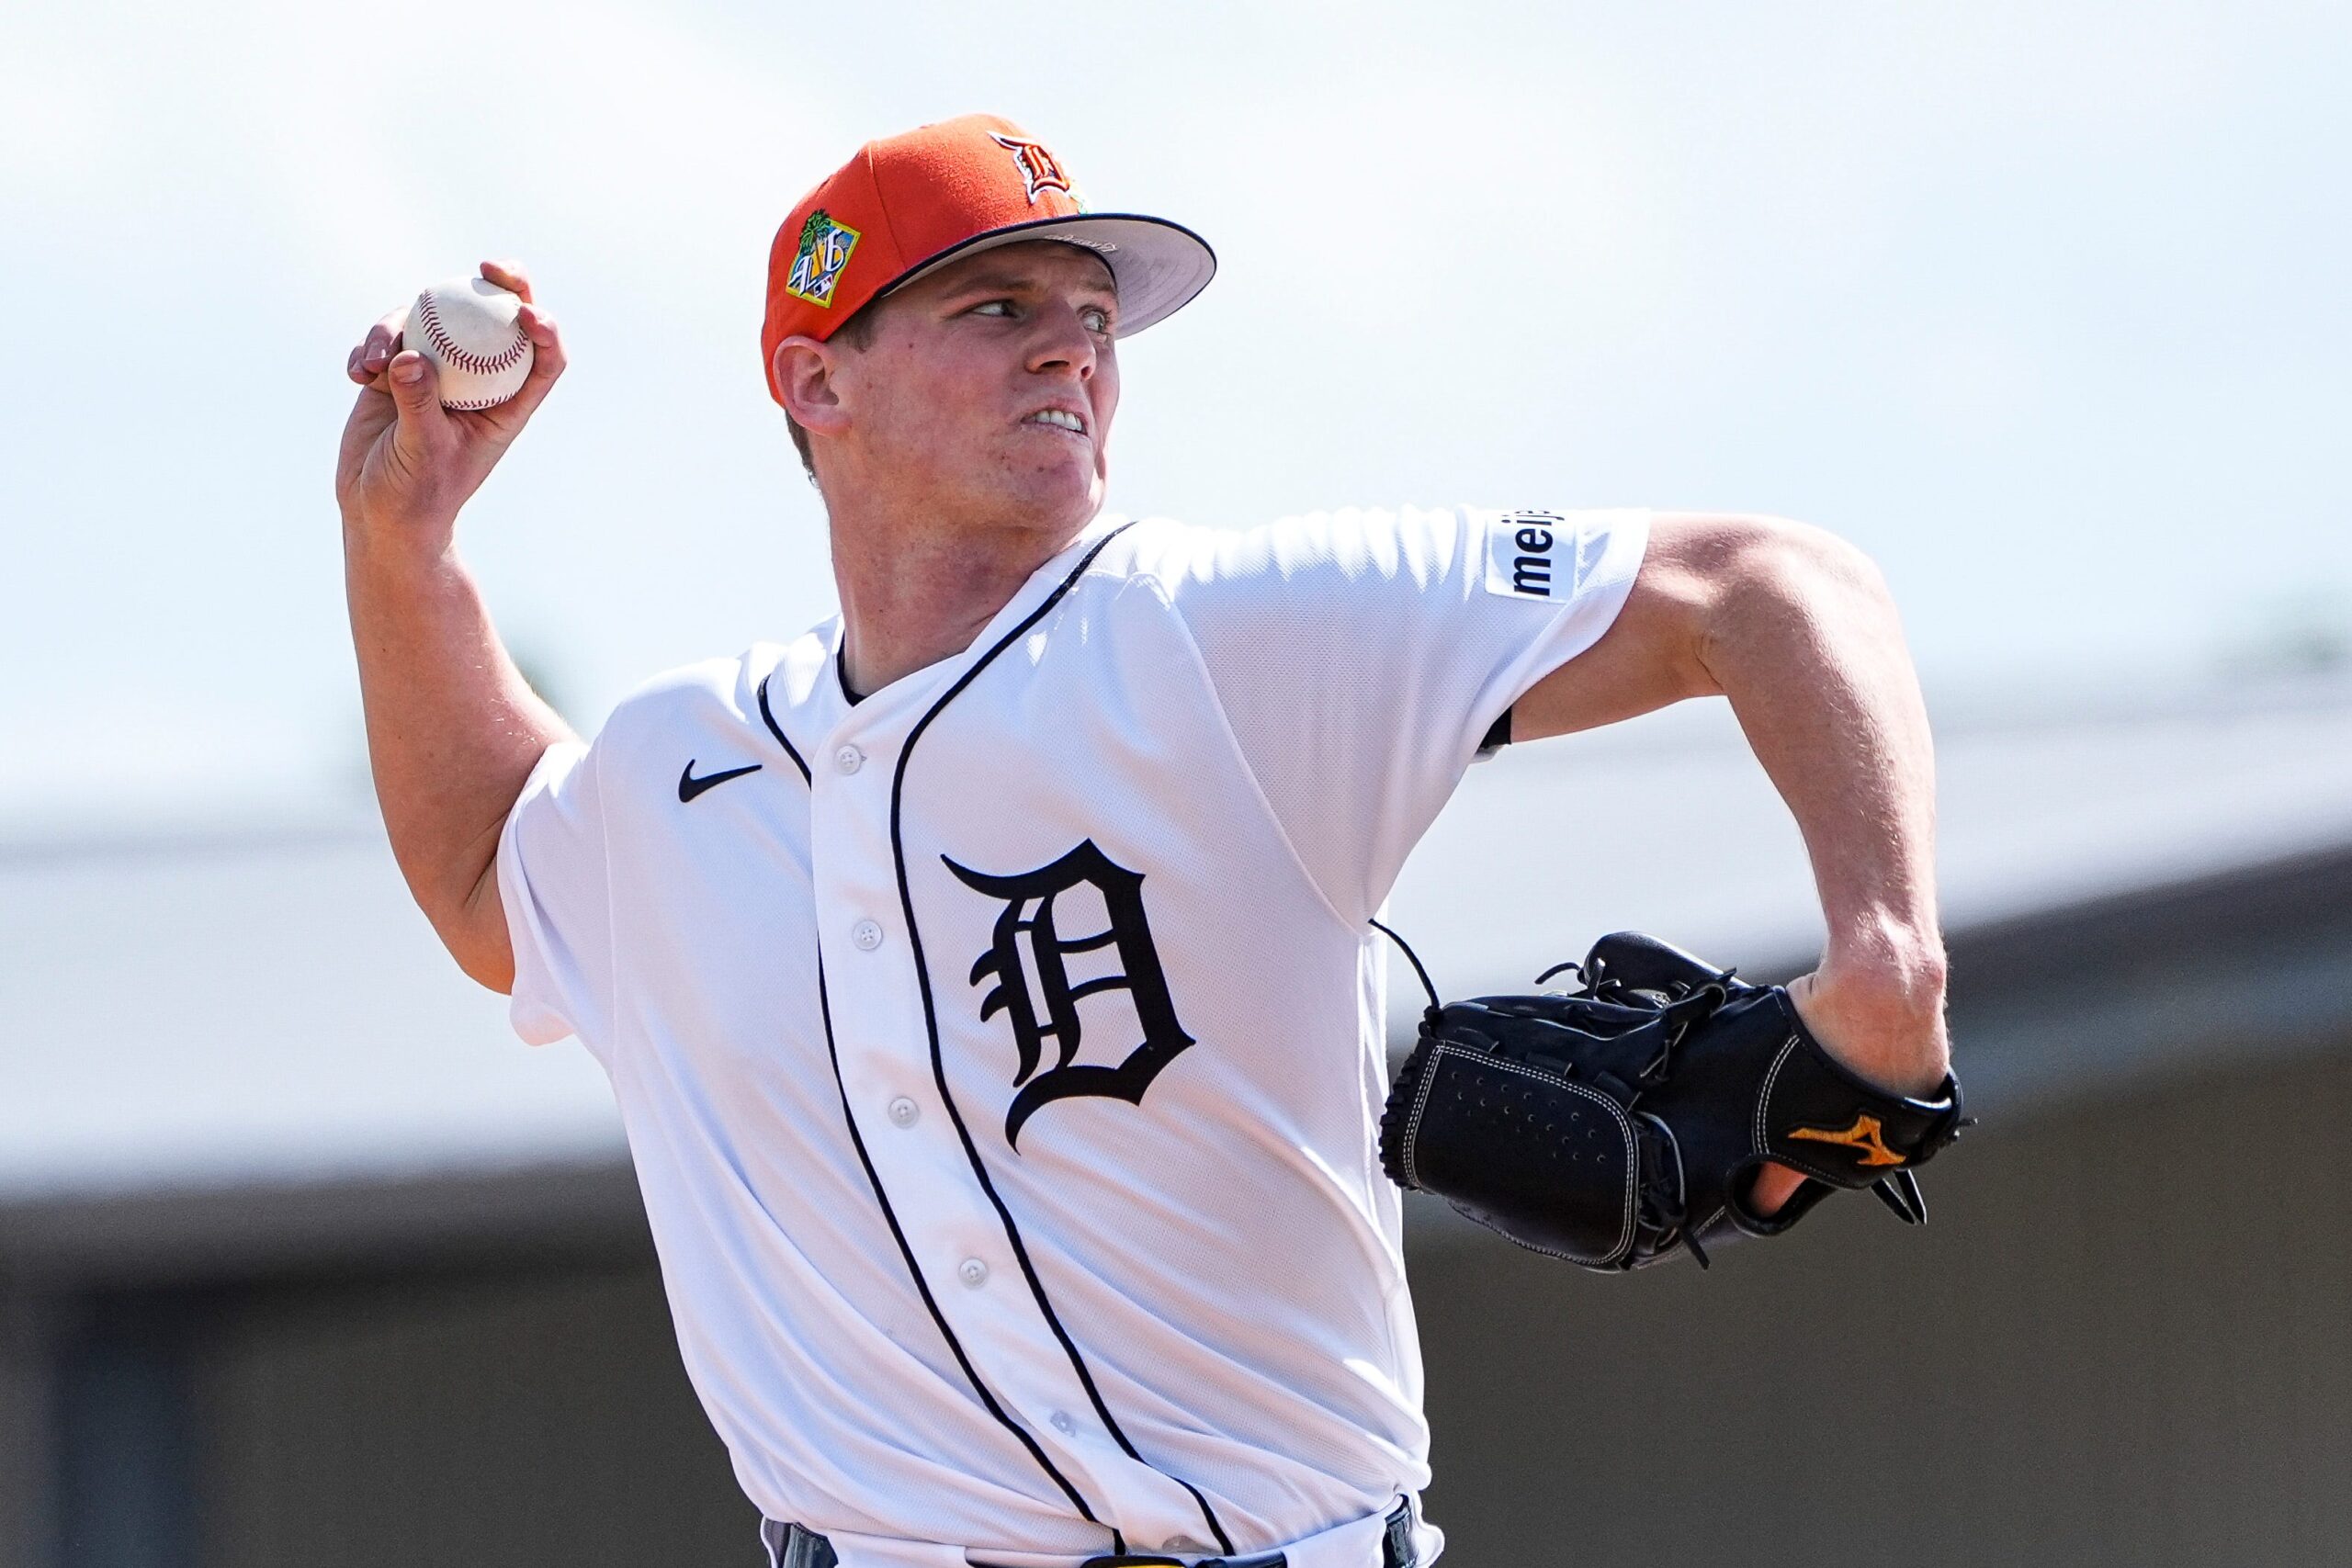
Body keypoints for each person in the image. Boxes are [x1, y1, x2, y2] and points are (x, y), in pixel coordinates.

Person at [335, 114, 1950, 1568]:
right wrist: (402, 540)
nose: (1073, 349)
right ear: (818, 381)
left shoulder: (1231, 635)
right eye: (997, 308)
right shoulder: (683, 763)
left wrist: (1887, 968)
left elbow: (1773, 585)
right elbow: (486, 869)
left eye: (1095, 317)